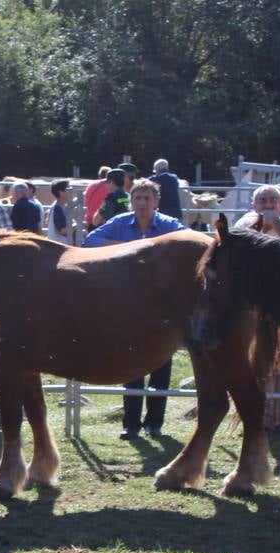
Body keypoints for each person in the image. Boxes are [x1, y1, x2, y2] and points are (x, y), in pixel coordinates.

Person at [84, 179, 188, 439]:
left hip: (162, 305)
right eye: (138, 198)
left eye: (147, 198)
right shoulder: (120, 223)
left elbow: (187, 241)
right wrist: (126, 249)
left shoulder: (168, 225)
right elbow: (90, 241)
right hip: (128, 303)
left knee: (162, 361)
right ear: (131, 201)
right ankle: (130, 423)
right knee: (132, 361)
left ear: (156, 202)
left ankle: (155, 423)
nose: (142, 203)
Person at [235, 185, 280, 434]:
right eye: (262, 200)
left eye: (273, 200)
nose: (267, 204)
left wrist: (278, 226)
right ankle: (258, 418)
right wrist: (261, 228)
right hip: (253, 300)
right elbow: (235, 248)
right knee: (256, 358)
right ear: (254, 205)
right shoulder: (245, 222)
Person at [46, 179, 71, 244]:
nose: (71, 190)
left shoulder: (60, 206)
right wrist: (78, 225)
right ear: (61, 192)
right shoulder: (57, 208)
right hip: (58, 248)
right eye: (68, 188)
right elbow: (63, 231)